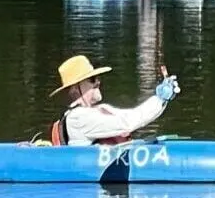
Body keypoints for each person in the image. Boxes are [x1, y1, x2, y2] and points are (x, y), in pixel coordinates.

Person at [50, 54, 181, 146]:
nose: (98, 82)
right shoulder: (78, 118)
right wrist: (159, 98)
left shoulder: (98, 110)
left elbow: (135, 116)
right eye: (92, 79)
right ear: (75, 88)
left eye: (97, 77)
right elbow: (126, 124)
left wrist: (163, 100)